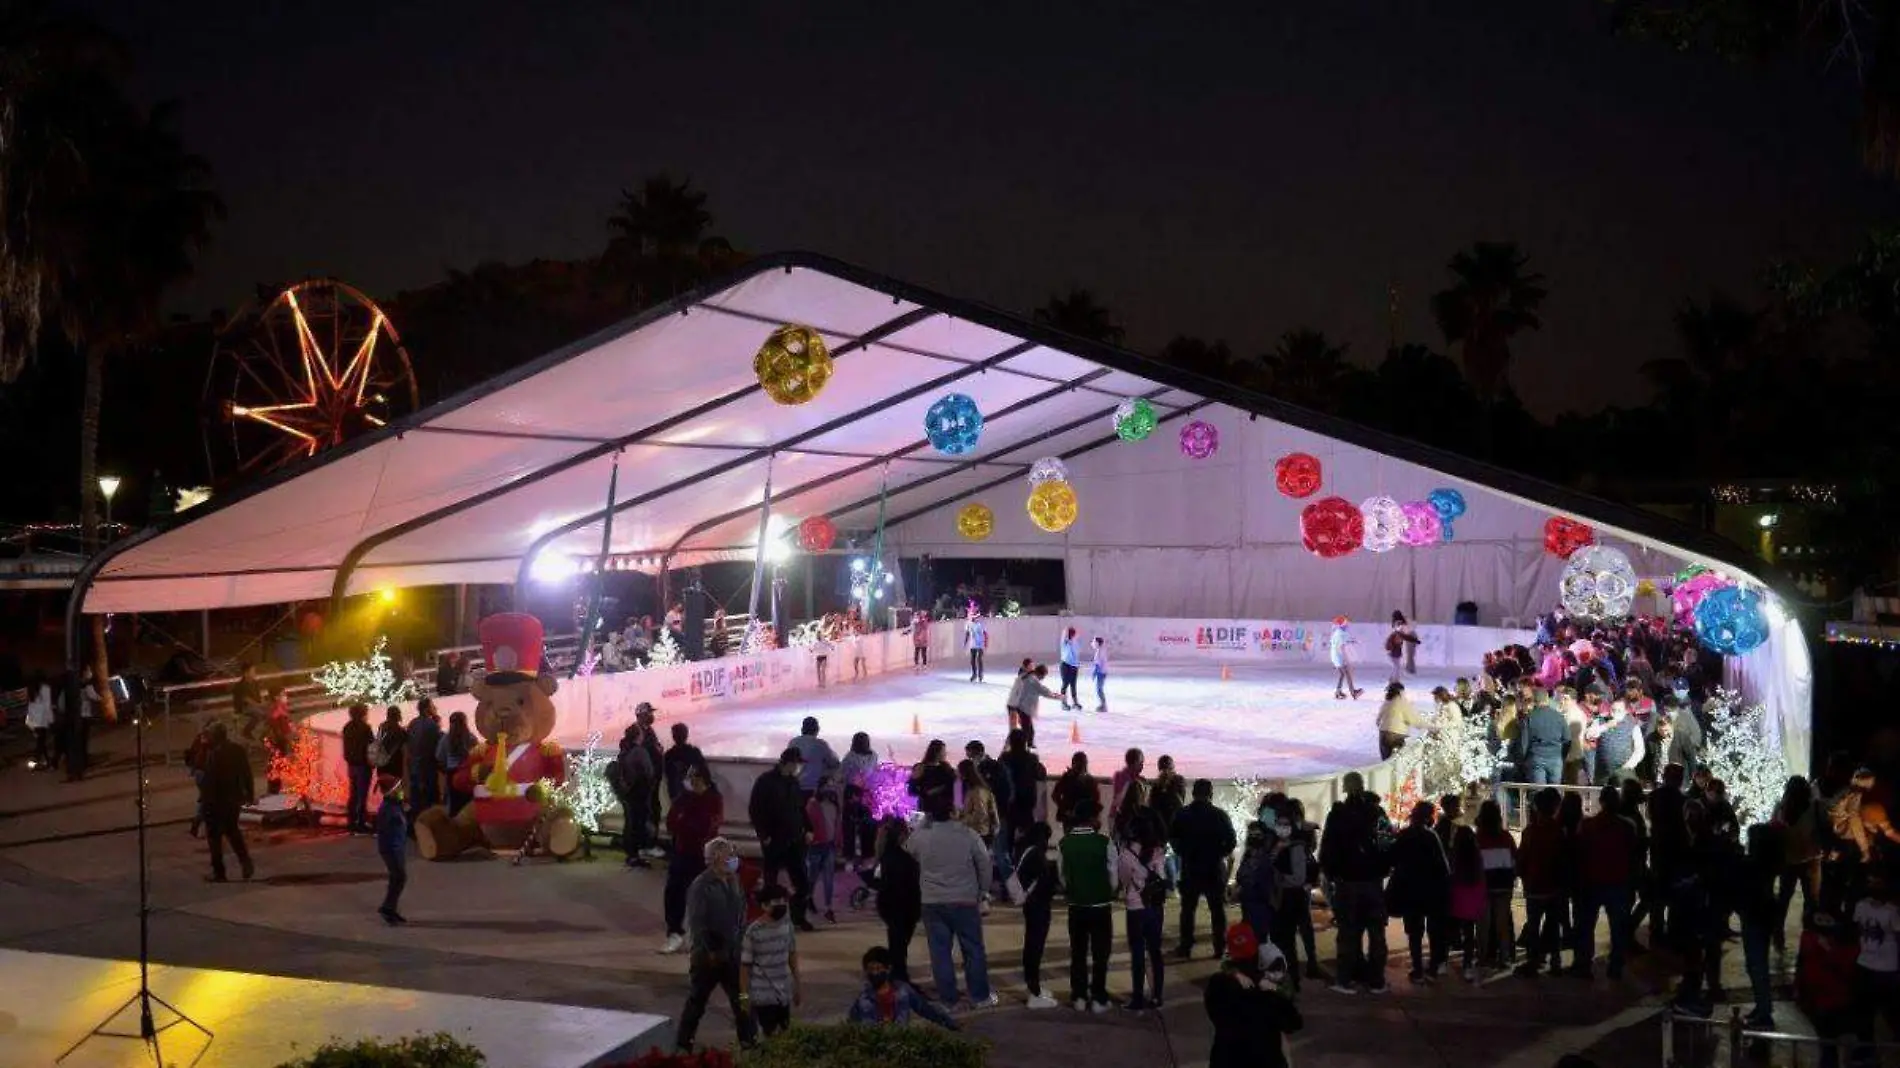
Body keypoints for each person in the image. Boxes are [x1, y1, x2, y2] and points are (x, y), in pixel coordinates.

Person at [907, 793, 996, 1008]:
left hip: (932, 901)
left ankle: (949, 999)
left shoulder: (920, 837)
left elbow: (909, 855)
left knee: (940, 953)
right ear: (952, 812)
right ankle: (979, 996)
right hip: (964, 898)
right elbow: (984, 864)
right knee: (973, 950)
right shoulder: (968, 834)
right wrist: (983, 891)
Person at [675, 837, 758, 1054]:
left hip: (733, 954)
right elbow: (698, 923)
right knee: (697, 1002)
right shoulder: (701, 886)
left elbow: (741, 915)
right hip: (708, 958)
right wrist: (712, 951)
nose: (733, 859)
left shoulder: (734, 881)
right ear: (715, 858)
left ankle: (749, 1042)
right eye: (729, 855)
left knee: (742, 999)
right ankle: (684, 1044)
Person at [1319, 770, 1389, 993]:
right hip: (1373, 882)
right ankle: (1376, 981)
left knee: (1348, 933)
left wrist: (1331, 874)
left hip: (1346, 883)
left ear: (1346, 788)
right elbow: (1387, 844)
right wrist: (1383, 868)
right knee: (1376, 933)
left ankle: (1345, 979)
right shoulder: (1376, 812)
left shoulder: (1338, 814)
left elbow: (1327, 850)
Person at [1205, 924, 1303, 1068]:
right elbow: (1294, 1023)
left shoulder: (1218, 983)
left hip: (1226, 1060)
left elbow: (1214, 1013)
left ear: (1230, 951)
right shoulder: (1269, 988)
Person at [1059, 800, 1119, 1011]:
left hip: (1076, 905)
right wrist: (1110, 890)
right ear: (1093, 819)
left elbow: (1063, 876)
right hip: (1101, 905)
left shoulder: (1065, 843)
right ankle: (1099, 997)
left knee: (1078, 953)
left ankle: (1079, 996)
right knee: (1100, 953)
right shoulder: (1105, 842)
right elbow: (1113, 874)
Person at [1574, 784, 1637, 979]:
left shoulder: (1588, 825)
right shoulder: (1627, 826)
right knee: (1618, 928)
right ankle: (1615, 965)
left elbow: (1580, 854)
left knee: (1586, 926)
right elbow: (1634, 855)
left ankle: (1584, 964)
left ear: (1600, 802)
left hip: (1592, 882)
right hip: (1618, 882)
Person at [749, 747, 816, 931]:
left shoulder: (793, 782)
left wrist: (808, 828)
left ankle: (798, 918)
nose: (798, 768)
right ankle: (769, 918)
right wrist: (764, 836)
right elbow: (755, 810)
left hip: (795, 840)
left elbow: (800, 809)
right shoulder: (765, 782)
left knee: (802, 882)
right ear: (788, 763)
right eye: (797, 764)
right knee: (771, 883)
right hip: (774, 841)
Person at [1172, 778, 1238, 959]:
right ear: (1211, 793)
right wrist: (1219, 853)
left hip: (1190, 866)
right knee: (1217, 910)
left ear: (1193, 793)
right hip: (1213, 868)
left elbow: (1173, 838)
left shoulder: (1182, 814)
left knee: (1188, 910)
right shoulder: (1219, 815)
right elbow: (1232, 841)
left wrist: (1183, 852)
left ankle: (1186, 947)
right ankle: (1219, 947)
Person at [663, 764, 724, 954]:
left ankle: (703, 936)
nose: (691, 783)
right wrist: (684, 824)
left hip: (704, 856)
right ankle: (675, 932)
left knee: (705, 896)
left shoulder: (713, 800)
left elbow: (707, 826)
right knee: (674, 892)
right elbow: (672, 822)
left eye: (694, 780)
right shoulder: (683, 799)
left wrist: (685, 823)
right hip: (682, 851)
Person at [1387, 800, 1449, 983]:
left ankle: (1417, 969)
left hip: (1408, 890)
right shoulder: (1431, 836)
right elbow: (1443, 867)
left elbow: (1392, 859)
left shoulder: (1404, 835)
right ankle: (1432, 968)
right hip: (1431, 890)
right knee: (1434, 931)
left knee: (1414, 932)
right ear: (1429, 817)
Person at [1119, 815, 1170, 1010]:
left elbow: (1123, 879)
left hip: (1135, 906)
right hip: (1155, 907)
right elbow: (1162, 876)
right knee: (1156, 951)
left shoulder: (1127, 854)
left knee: (1138, 952)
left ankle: (1138, 997)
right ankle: (1157, 996)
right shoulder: (1158, 852)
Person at [1515, 787, 1566, 976]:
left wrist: (1522, 877)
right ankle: (1555, 961)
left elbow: (1522, 858)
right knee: (1552, 926)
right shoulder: (1559, 832)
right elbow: (1562, 860)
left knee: (1534, 925)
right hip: (1553, 887)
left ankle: (1534, 960)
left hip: (1534, 886)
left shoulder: (1530, 832)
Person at [1738, 821, 1784, 1027]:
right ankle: (1762, 1006)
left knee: (1756, 965)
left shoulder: (1752, 865)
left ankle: (1764, 1011)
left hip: (1754, 917)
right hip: (1763, 917)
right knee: (1758, 965)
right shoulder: (1769, 863)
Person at [846, 945, 959, 1028]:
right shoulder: (863, 998)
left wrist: (951, 1024)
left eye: (878, 969)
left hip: (900, 1042)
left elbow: (926, 1010)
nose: (874, 973)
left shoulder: (903, 991)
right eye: (870, 970)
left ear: (888, 969)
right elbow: (851, 1024)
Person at [740, 884, 801, 1037]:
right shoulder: (753, 931)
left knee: (785, 1034)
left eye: (783, 900)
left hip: (784, 993)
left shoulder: (787, 926)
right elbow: (744, 967)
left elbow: (792, 955)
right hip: (763, 995)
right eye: (776, 901)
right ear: (764, 905)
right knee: (770, 1035)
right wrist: (744, 997)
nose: (781, 904)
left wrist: (797, 984)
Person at [198, 723, 256, 883]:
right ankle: (245, 862)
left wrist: (204, 803)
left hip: (216, 801)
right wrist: (249, 793)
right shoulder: (237, 750)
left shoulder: (214, 754)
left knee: (214, 837)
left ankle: (219, 872)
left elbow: (208, 779)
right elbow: (247, 773)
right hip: (233, 799)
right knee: (232, 831)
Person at [1851, 867, 1900, 1050]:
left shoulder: (1891, 911)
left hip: (1886, 968)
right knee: (1866, 1014)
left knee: (1890, 1012)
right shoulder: (1862, 906)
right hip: (1867, 964)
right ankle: (1866, 1050)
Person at [1014, 822, 1062, 1009]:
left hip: (1030, 905)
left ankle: (1035, 988)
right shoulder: (1036, 855)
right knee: (1035, 947)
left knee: (1032, 945)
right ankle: (1034, 992)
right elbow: (1045, 883)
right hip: (1038, 906)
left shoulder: (1025, 850)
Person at [875, 816, 924, 983]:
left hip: (889, 904)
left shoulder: (885, 855)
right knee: (900, 941)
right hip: (904, 904)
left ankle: (896, 969)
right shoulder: (905, 858)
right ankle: (898, 973)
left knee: (897, 940)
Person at [1474, 799, 1518, 969]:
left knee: (1483, 924)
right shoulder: (1506, 836)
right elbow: (1514, 858)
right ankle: (1504, 957)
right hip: (1504, 884)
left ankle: (1483, 957)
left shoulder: (1478, 838)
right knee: (1502, 923)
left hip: (1484, 885)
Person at [615, 722, 658, 867]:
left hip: (627, 792)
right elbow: (649, 771)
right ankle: (636, 853)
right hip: (639, 792)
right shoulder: (639, 752)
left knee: (630, 822)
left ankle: (631, 853)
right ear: (638, 736)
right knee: (639, 822)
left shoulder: (624, 750)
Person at [805, 782, 843, 923]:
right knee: (812, 877)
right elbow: (808, 823)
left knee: (829, 878)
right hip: (816, 845)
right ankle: (808, 898)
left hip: (829, 846)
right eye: (827, 785)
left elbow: (837, 826)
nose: (830, 789)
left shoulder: (835, 807)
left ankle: (828, 908)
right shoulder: (813, 805)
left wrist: (838, 843)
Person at [374, 771, 409, 924]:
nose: (401, 790)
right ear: (391, 791)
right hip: (391, 849)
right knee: (399, 877)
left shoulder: (395, 805)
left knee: (398, 878)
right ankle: (388, 907)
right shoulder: (388, 809)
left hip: (397, 847)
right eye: (398, 788)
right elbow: (386, 831)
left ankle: (390, 908)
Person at [840, 731, 879, 863]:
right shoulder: (873, 755)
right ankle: (867, 854)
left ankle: (850, 855)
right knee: (867, 824)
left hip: (854, 791)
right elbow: (874, 772)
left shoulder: (850, 756)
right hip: (867, 792)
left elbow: (843, 774)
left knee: (851, 825)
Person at [1521, 689, 1569, 786]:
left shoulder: (1529, 717)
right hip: (1555, 756)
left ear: (1534, 700)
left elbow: (1524, 743)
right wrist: (1562, 755)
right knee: (1555, 791)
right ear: (1547, 699)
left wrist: (1523, 760)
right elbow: (1567, 738)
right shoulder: (1559, 716)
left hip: (1536, 757)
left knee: (1539, 791)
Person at [1008, 664, 1061, 750]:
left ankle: (1028, 744)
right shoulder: (1033, 680)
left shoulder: (1030, 677)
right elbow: (1043, 691)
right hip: (1023, 708)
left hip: (1021, 706)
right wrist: (1057, 696)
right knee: (1027, 729)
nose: (1043, 678)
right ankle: (1023, 746)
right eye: (1044, 676)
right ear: (1040, 674)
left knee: (1029, 729)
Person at [342, 703, 375, 833]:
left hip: (352, 765)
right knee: (362, 795)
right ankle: (361, 822)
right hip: (363, 766)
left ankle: (351, 821)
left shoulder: (347, 727)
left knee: (353, 794)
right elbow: (371, 747)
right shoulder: (365, 728)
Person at [406, 698, 442, 817]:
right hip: (428, 767)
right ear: (427, 709)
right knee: (429, 798)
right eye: (432, 706)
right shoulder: (431, 725)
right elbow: (439, 744)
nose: (435, 708)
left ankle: (414, 824)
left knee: (416, 798)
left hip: (414, 766)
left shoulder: (412, 723)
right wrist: (437, 721)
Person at [788, 716, 840, 797]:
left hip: (794, 786)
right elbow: (834, 763)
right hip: (812, 787)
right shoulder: (820, 744)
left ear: (802, 729)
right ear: (817, 729)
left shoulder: (793, 742)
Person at [436, 710, 476, 817]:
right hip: (468, 773)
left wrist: (446, 770)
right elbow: (477, 756)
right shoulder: (471, 738)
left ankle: (455, 828)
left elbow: (439, 757)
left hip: (452, 773)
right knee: (468, 802)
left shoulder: (446, 738)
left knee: (454, 804)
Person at [1376, 682, 1430, 759]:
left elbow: (1378, 721)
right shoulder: (1403, 702)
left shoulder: (1387, 702)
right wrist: (1429, 727)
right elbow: (1414, 720)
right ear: (1401, 692)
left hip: (1383, 735)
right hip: (1396, 736)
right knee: (1397, 762)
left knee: (1386, 761)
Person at [956, 759, 999, 853]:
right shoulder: (967, 789)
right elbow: (958, 808)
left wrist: (962, 822)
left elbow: (980, 814)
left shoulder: (978, 791)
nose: (956, 774)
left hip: (978, 832)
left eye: (958, 771)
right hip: (974, 831)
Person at [663, 722, 711, 803]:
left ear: (673, 736)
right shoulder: (694, 752)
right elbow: (705, 772)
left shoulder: (669, 755)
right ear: (686, 735)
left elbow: (668, 775)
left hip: (677, 794)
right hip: (694, 792)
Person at [908, 739, 957, 816]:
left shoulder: (947, 768)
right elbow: (911, 790)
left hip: (946, 810)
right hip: (928, 810)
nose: (945, 754)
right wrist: (927, 793)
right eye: (943, 751)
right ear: (936, 752)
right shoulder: (921, 768)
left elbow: (954, 785)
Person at [1110, 748, 1148, 843]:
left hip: (1128, 820)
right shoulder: (1122, 777)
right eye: (1140, 763)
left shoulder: (1138, 780)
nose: (1142, 766)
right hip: (1122, 819)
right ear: (1133, 763)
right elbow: (1119, 801)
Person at [1052, 751, 1098, 828]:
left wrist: (1064, 809)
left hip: (1076, 817)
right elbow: (1095, 799)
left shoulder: (1067, 777)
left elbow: (1055, 795)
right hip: (1080, 818)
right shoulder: (1088, 780)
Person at [1329, 616, 1363, 700]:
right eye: (1346, 623)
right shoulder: (1339, 634)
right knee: (1346, 674)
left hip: (1336, 656)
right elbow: (1341, 647)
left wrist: (1353, 641)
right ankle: (1352, 692)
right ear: (1342, 625)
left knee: (1343, 674)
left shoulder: (1340, 632)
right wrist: (1345, 658)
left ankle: (1338, 691)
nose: (1347, 625)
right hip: (1339, 656)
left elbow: (1345, 640)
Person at [24, 674, 53, 770]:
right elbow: (47, 705)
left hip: (34, 721)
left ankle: (43, 762)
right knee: (41, 742)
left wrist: (29, 721)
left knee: (40, 742)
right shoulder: (45, 689)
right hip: (42, 720)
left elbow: (30, 707)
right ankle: (38, 762)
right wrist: (50, 719)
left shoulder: (31, 690)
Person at [374, 705, 408, 780]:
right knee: (397, 790)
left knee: (385, 789)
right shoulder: (401, 731)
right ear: (398, 715)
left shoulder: (381, 727)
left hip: (381, 765)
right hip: (395, 766)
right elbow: (405, 750)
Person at [232, 662, 264, 740]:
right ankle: (246, 731)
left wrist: (263, 703)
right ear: (246, 673)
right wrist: (259, 705)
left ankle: (266, 734)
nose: (254, 673)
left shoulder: (255, 683)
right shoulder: (240, 685)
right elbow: (246, 699)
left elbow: (259, 695)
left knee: (272, 711)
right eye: (252, 671)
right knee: (259, 715)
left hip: (255, 705)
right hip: (244, 707)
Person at [1386, 611, 1420, 683]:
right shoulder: (1398, 631)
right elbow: (1403, 636)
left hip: (1401, 644)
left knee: (1397, 665)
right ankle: (1395, 679)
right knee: (1397, 665)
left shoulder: (1400, 628)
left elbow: (1405, 636)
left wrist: (1414, 640)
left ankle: (1395, 678)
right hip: (1395, 649)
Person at [1056, 627, 1083, 711]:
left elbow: (1077, 652)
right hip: (1065, 665)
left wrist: (1073, 641)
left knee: (1073, 684)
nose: (1072, 635)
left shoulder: (1076, 643)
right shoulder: (1064, 642)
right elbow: (1064, 634)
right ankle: (1063, 703)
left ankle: (1075, 702)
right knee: (1065, 683)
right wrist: (1066, 632)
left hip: (1074, 666)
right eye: (1071, 634)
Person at [965, 614, 988, 682]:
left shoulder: (980, 624)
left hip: (980, 644)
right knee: (973, 660)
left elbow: (985, 633)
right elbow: (967, 633)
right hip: (973, 644)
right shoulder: (968, 624)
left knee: (979, 659)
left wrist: (985, 642)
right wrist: (965, 642)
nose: (974, 618)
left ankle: (980, 674)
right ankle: (974, 674)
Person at [1091, 635, 1110, 712]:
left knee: (1099, 690)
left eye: (1094, 642)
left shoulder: (1099, 652)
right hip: (1103, 672)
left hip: (1101, 673)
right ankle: (1103, 705)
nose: (1092, 643)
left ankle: (1103, 705)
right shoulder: (1101, 650)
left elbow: (1098, 665)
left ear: (1098, 643)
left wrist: (1094, 673)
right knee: (1099, 689)